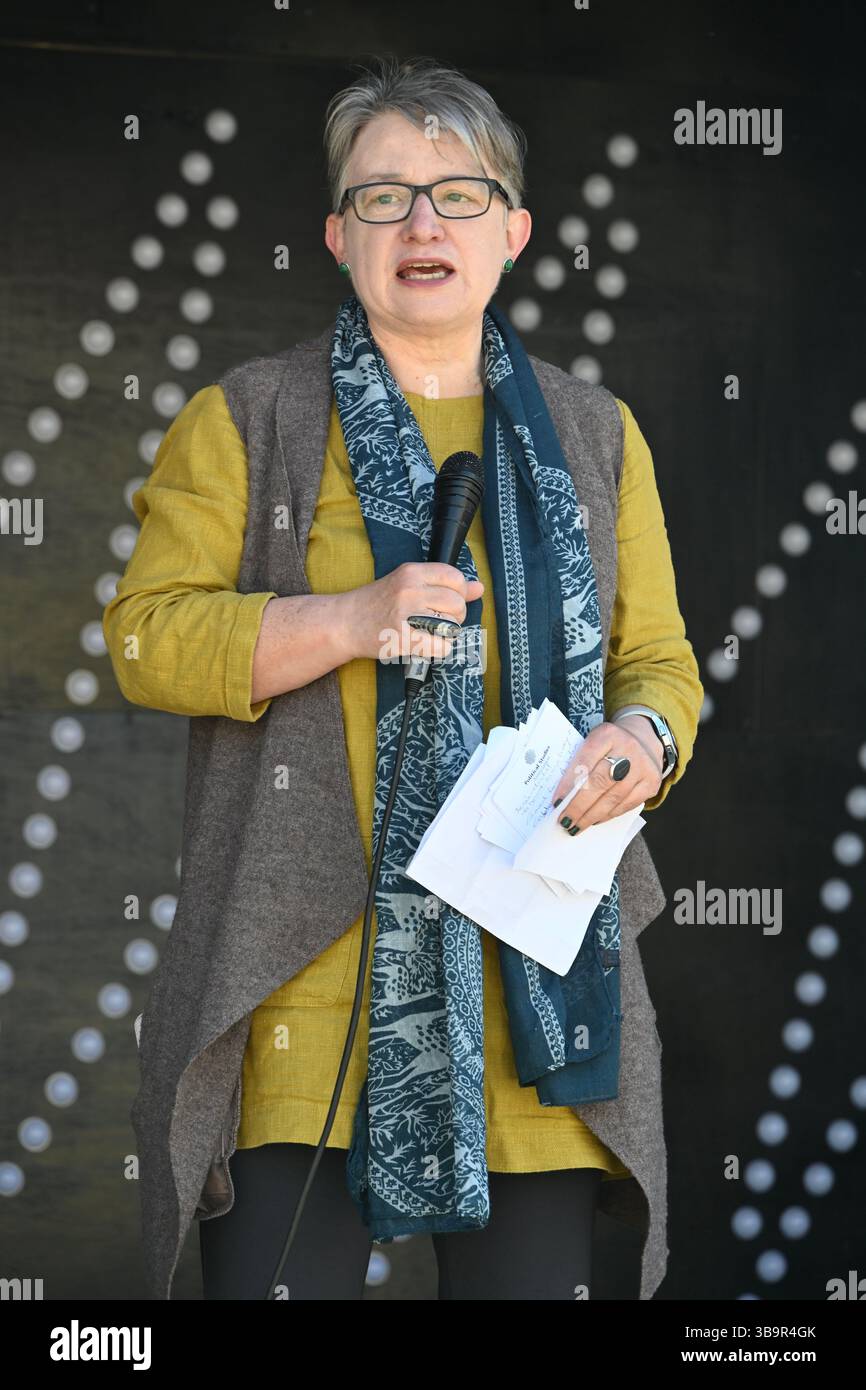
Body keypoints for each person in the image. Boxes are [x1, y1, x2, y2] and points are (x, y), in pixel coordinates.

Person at [104, 55, 703, 1301]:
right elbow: (149, 638)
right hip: (300, 999)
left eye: (455, 194)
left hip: (532, 996)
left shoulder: (596, 433)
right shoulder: (248, 417)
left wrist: (640, 739)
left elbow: (659, 665)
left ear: (514, 231)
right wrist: (348, 619)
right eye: (382, 198)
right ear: (337, 236)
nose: (420, 223)